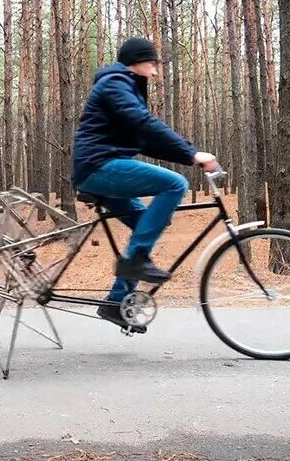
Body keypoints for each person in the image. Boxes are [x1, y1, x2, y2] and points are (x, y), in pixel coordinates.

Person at [71, 36, 219, 331]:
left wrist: (189, 156)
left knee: (148, 223)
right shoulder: (114, 84)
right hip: (98, 167)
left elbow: (145, 140)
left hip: (103, 166)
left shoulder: (124, 88)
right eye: (152, 64)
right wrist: (191, 153)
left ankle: (116, 302)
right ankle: (136, 259)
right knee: (175, 185)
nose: (154, 71)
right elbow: (143, 122)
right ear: (136, 62)